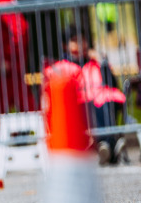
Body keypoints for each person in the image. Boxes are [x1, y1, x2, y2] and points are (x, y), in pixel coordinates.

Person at [44, 25, 126, 165]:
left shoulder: (95, 63)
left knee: (103, 103)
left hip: (102, 100)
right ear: (66, 45)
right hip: (81, 105)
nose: (81, 45)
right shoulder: (63, 66)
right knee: (94, 106)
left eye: (83, 41)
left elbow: (112, 83)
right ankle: (109, 145)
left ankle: (106, 145)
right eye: (75, 41)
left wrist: (102, 61)